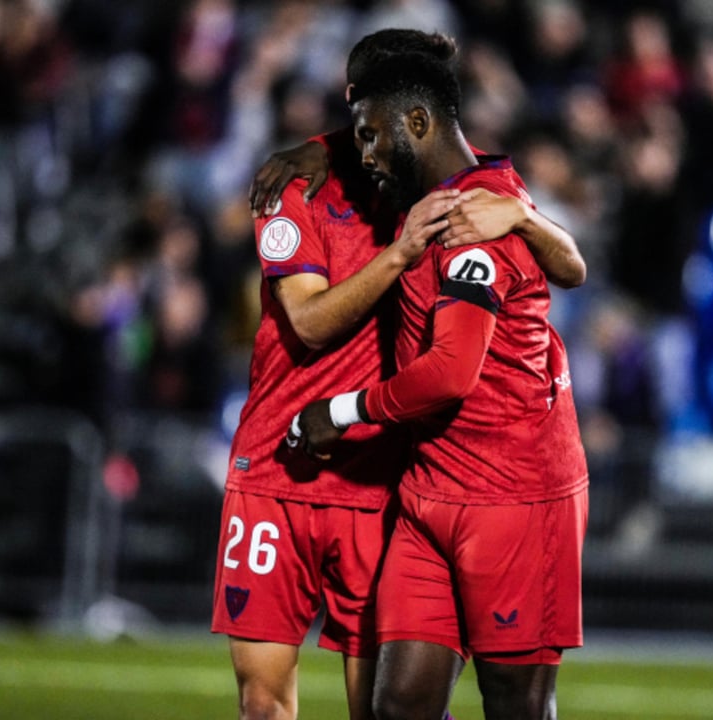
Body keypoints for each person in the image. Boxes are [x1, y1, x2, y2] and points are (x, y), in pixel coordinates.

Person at [213, 30, 585, 720]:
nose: (364, 149)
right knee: (392, 709)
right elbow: (309, 321)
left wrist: (341, 411)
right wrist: (323, 150)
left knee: (514, 705)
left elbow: (452, 370)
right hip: (409, 487)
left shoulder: (472, 212)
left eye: (368, 130)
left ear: (412, 120)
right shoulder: (362, 186)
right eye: (354, 127)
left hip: (500, 489)